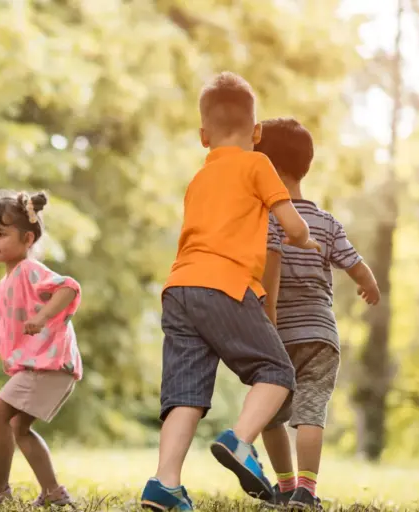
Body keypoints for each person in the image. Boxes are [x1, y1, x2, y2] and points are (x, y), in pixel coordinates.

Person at [138, 72, 321, 511]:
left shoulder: (200, 178)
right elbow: (291, 222)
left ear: (204, 136)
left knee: (184, 393)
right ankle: (240, 441)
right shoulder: (258, 164)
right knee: (277, 373)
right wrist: (305, 239)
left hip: (179, 288)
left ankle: (165, 483)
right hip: (226, 285)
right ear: (257, 133)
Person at [256, 117, 380, 510]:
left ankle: (285, 483)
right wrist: (370, 285)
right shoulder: (325, 222)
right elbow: (356, 265)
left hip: (275, 334)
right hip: (320, 335)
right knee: (311, 411)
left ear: (268, 169)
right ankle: (306, 490)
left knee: (271, 414)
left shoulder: (264, 218)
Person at [0, 191, 82, 507]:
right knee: (18, 427)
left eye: (1, 234)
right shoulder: (7, 282)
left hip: (50, 364)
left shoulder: (29, 270)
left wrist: (42, 316)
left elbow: (68, 287)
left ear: (27, 238)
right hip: (49, 367)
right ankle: (54, 492)